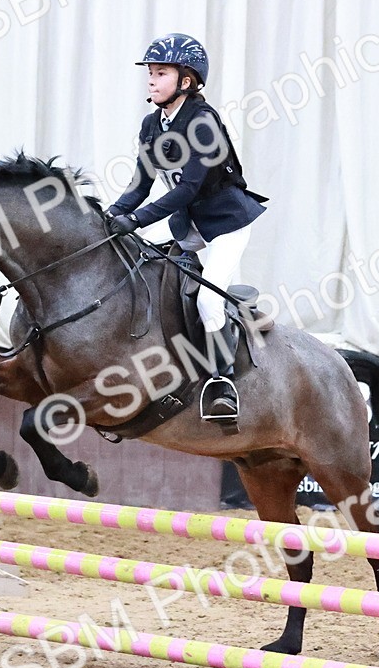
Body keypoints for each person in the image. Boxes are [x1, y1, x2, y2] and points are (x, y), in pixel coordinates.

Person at [106, 32, 267, 423]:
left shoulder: (203, 122)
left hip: (225, 222)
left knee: (208, 300)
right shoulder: (152, 125)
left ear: (187, 80)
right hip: (188, 222)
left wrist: (136, 220)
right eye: (150, 73)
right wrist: (110, 216)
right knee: (136, 264)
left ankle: (222, 382)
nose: (151, 80)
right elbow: (140, 186)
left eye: (161, 73)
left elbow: (187, 190)